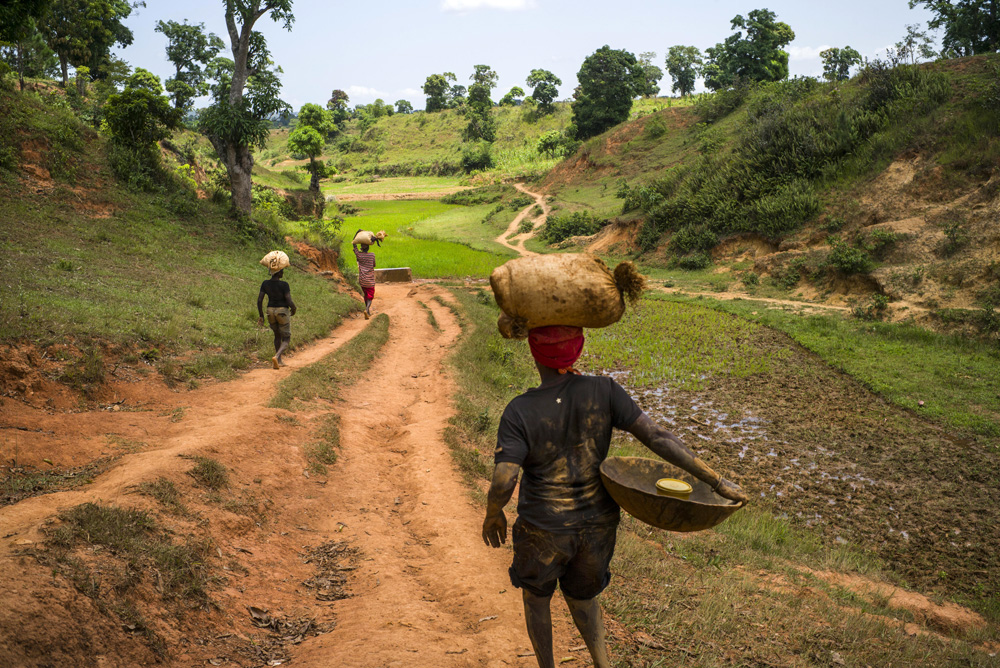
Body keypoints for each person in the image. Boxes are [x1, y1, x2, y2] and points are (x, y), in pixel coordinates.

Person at [482, 325, 749, 668]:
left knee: (537, 599)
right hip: (598, 527)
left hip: (543, 529)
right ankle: (602, 664)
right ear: (576, 351)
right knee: (584, 598)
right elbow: (657, 436)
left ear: (534, 353)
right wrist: (717, 480)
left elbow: (505, 478)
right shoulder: (604, 390)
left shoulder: (520, 410)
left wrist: (493, 511)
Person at [257, 268, 297, 369]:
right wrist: (293, 308)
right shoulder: (284, 285)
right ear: (278, 273)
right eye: (282, 271)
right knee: (286, 338)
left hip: (270, 311)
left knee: (277, 335)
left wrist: (261, 315)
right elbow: (288, 299)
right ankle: (277, 356)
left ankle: (278, 361)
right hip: (282, 311)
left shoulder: (265, 283)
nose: (283, 272)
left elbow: (259, 300)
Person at [352, 230, 376, 319]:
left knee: (366, 295)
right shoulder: (372, 255)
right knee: (370, 296)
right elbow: (374, 265)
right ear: (368, 248)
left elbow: (354, 244)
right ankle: (366, 309)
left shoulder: (359, 255)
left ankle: (368, 312)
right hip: (370, 280)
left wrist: (356, 233)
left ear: (361, 248)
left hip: (362, 280)